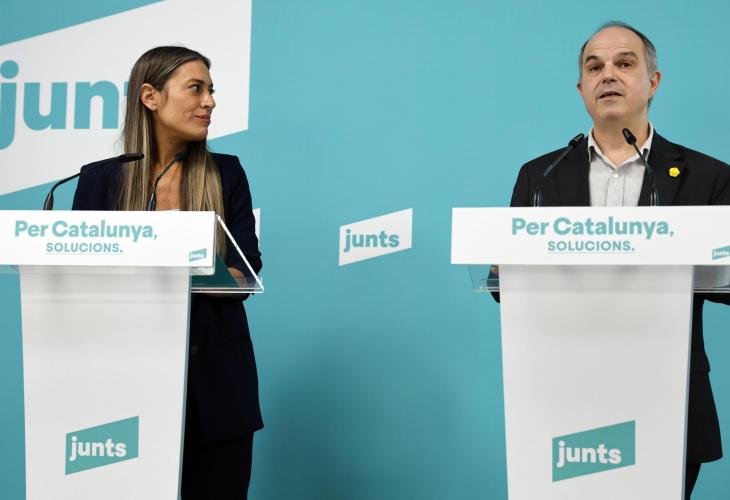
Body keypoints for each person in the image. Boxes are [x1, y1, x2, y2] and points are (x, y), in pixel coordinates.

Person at [509, 22, 730, 499]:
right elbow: (507, 288)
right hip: (563, 393)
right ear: (581, 89)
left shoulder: (708, 177)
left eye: (624, 63)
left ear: (653, 82)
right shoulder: (540, 177)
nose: (607, 74)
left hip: (670, 397)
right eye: (595, 67)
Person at [72, 46, 263, 499]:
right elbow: (82, 281)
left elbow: (245, 273)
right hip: (123, 387)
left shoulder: (227, 173)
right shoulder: (100, 179)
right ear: (150, 97)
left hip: (217, 390)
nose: (209, 101)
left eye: (211, 90)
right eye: (195, 88)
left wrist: (185, 263)